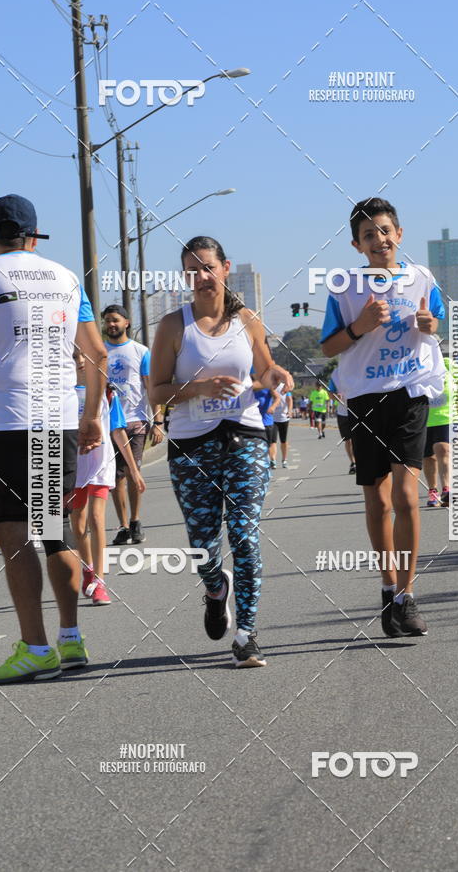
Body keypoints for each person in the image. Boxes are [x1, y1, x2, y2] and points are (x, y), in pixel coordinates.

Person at [0, 193, 107, 684]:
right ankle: (71, 638)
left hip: (6, 420)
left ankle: (35, 647)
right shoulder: (67, 279)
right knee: (54, 527)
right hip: (58, 418)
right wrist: (90, 417)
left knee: (11, 532)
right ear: (33, 236)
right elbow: (96, 354)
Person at [150, 235, 293, 668]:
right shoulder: (174, 326)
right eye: (192, 271)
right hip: (192, 444)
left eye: (208, 268)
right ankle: (216, 590)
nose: (201, 277)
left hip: (245, 436)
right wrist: (199, 388)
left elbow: (266, 369)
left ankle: (247, 634)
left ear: (225, 268)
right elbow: (156, 390)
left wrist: (277, 376)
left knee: (245, 536)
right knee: (203, 546)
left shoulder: (246, 320)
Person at [321, 197, 445, 637]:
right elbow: (328, 347)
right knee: (378, 499)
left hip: (410, 393)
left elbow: (437, 321)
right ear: (357, 245)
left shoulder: (422, 278)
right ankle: (388, 586)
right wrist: (361, 326)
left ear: (400, 235)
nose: (380, 239)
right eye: (369, 234)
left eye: (386, 230)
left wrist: (432, 326)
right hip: (364, 397)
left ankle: (407, 597)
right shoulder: (345, 288)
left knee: (408, 497)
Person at [69, 350, 146, 606]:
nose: (80, 361)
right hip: (73, 464)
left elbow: (118, 431)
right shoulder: (62, 392)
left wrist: (134, 470)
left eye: (84, 357)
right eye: (74, 357)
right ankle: (88, 568)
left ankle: (100, 582)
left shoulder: (106, 391)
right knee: (79, 525)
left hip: (100, 463)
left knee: (97, 518)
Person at [102, 304, 163, 546]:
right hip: (107, 423)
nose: (111, 325)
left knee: (131, 471)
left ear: (126, 322)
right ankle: (123, 525)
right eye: (107, 321)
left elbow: (151, 388)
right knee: (115, 478)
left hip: (135, 421)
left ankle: (136, 520)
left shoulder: (140, 351)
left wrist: (157, 422)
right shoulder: (99, 351)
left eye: (115, 320)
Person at [423, 356, 454, 508]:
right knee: (428, 457)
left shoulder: (448, 364)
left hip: (445, 417)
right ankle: (432, 491)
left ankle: (447, 490)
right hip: (422, 418)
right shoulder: (415, 366)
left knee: (444, 450)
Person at [328, 373, 356, 475]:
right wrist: (335, 397)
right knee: (348, 440)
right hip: (343, 413)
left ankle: (360, 462)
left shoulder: (358, 368)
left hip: (358, 411)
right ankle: (353, 463)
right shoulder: (335, 374)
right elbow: (330, 393)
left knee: (358, 439)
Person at [253, 380, 281, 468]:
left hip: (266, 421)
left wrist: (273, 407)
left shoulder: (267, 386)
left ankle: (272, 460)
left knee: (269, 443)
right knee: (257, 444)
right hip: (254, 422)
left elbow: (277, 398)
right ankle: (264, 462)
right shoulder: (249, 387)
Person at [272, 384, 293, 468]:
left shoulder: (285, 386)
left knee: (283, 440)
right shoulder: (269, 385)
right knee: (272, 440)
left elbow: (289, 400)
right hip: (272, 418)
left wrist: (290, 410)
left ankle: (284, 460)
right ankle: (272, 460)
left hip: (284, 417)